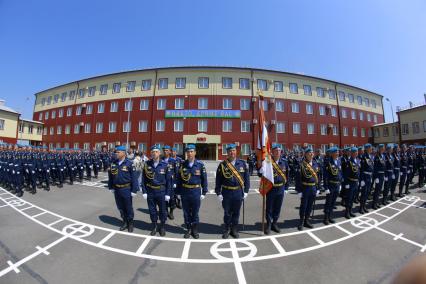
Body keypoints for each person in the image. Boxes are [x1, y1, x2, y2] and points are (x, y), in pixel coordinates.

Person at [215, 144, 250, 239]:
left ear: (236, 151)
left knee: (236, 212)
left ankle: (234, 228)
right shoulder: (222, 165)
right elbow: (218, 180)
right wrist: (218, 193)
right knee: (227, 212)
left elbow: (247, 179)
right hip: (226, 192)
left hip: (238, 192)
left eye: (233, 150)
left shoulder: (243, 164)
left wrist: (246, 191)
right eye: (230, 151)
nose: (232, 152)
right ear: (227, 152)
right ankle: (227, 228)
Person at [175, 144, 208, 239]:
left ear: (195, 153)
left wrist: (204, 192)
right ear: (186, 153)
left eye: (191, 151)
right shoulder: (182, 165)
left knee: (195, 212)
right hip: (185, 192)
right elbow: (179, 180)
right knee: (186, 212)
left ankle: (195, 229)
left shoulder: (200, 165)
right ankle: (188, 228)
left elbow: (204, 179)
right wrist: (178, 192)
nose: (189, 153)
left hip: (196, 191)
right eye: (188, 152)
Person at [140, 145, 172, 236]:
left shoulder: (165, 165)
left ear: (159, 153)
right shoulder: (147, 164)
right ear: (151, 153)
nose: (154, 153)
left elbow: (169, 181)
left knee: (163, 211)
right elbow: (143, 179)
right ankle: (154, 226)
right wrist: (144, 191)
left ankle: (162, 226)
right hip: (150, 191)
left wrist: (168, 194)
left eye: (156, 151)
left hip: (161, 192)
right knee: (152, 210)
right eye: (153, 152)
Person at [108, 146, 139, 233]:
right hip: (117, 189)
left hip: (126, 188)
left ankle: (130, 223)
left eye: (118, 152)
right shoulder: (113, 163)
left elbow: (134, 178)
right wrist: (110, 187)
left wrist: (134, 190)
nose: (116, 154)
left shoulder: (129, 163)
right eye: (116, 152)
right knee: (120, 207)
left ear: (124, 153)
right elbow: (110, 176)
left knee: (128, 207)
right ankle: (124, 221)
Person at [264, 144, 289, 234]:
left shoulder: (284, 162)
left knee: (277, 207)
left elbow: (287, 175)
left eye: (279, 150)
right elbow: (263, 174)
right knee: (269, 207)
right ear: (272, 152)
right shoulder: (268, 161)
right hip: (271, 188)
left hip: (281, 188)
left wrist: (286, 187)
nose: (278, 152)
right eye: (276, 151)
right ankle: (269, 224)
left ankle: (275, 223)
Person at [295, 147, 320, 231]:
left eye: (312, 152)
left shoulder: (316, 163)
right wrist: (299, 190)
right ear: (305, 154)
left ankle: (307, 220)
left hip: (313, 187)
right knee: (304, 206)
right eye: (309, 153)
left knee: (310, 205)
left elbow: (318, 176)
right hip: (305, 188)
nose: (311, 154)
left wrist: (318, 188)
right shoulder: (301, 164)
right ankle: (301, 222)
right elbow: (298, 178)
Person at [323, 146, 342, 225]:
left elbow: (340, 173)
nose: (337, 153)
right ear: (332, 153)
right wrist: (326, 187)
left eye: (338, 152)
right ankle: (326, 218)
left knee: (333, 202)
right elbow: (325, 176)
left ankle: (330, 216)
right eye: (336, 152)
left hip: (337, 184)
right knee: (329, 202)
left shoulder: (339, 161)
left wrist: (340, 183)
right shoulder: (328, 162)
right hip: (330, 185)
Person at [342, 147, 360, 219]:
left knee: (352, 198)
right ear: (352, 153)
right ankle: (347, 212)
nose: (357, 153)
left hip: (355, 182)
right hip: (350, 182)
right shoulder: (349, 162)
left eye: (357, 152)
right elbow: (346, 174)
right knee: (349, 198)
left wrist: (358, 180)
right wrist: (346, 184)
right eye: (355, 152)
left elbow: (358, 172)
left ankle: (350, 210)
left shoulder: (357, 160)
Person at [359, 143, 374, 213]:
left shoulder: (370, 156)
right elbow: (361, 169)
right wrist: (361, 180)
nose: (371, 149)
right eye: (370, 148)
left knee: (367, 192)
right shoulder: (363, 157)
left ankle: (364, 206)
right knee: (364, 192)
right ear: (367, 148)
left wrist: (371, 177)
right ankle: (361, 207)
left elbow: (371, 167)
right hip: (364, 177)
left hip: (369, 176)